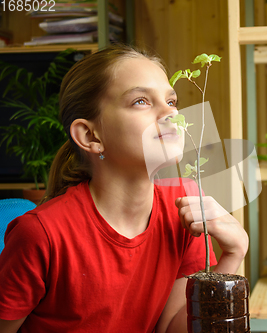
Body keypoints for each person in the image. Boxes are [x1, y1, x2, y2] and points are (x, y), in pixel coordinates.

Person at [0, 44, 248, 333]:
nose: (171, 115)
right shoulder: (41, 234)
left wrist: (233, 254)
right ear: (90, 135)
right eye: (141, 101)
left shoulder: (183, 203)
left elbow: (173, 326)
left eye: (172, 101)